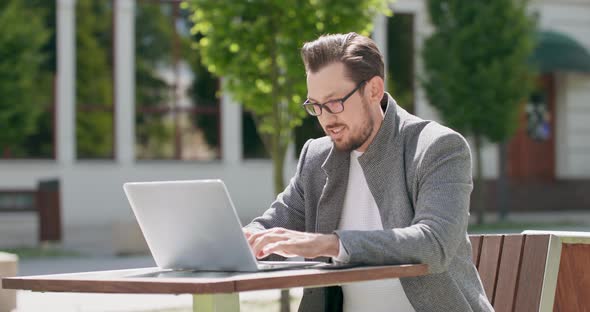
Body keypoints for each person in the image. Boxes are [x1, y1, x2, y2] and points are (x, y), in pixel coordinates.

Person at [243, 32, 493, 312]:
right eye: (316, 106)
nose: (326, 119)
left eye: (335, 102)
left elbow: (434, 243)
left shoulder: (437, 148)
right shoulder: (316, 157)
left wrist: (331, 244)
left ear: (373, 90)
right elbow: (270, 228)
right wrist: (239, 240)